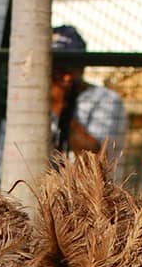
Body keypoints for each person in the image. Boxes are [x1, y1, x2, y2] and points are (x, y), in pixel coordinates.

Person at [50, 24, 129, 173]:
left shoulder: (105, 99)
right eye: (57, 69)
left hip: (94, 194)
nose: (65, 77)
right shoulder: (31, 102)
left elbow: (94, 161)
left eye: (71, 67)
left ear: (82, 66)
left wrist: (59, 107)